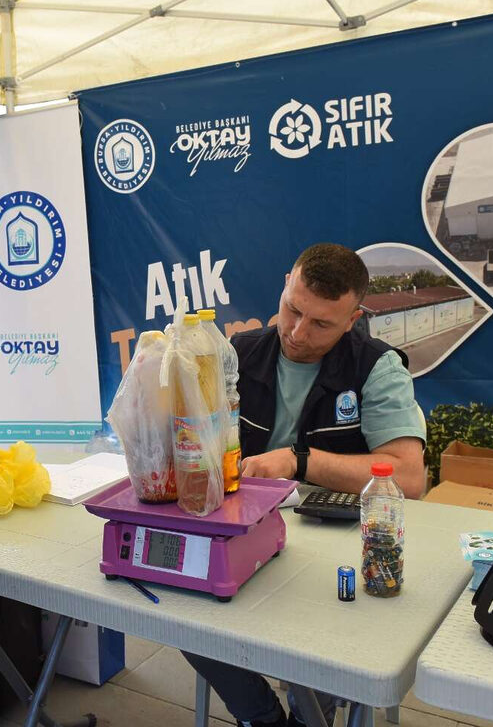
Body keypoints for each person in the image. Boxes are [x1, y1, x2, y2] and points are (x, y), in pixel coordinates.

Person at [183, 242, 426, 727]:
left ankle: (310, 713)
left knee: (325, 626)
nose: (297, 332)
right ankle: (264, 717)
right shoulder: (236, 354)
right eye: (293, 310)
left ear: (354, 318)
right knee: (180, 606)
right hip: (244, 534)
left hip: (332, 547)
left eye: (321, 324)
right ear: (285, 286)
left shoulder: (376, 368)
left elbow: (410, 476)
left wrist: (300, 461)